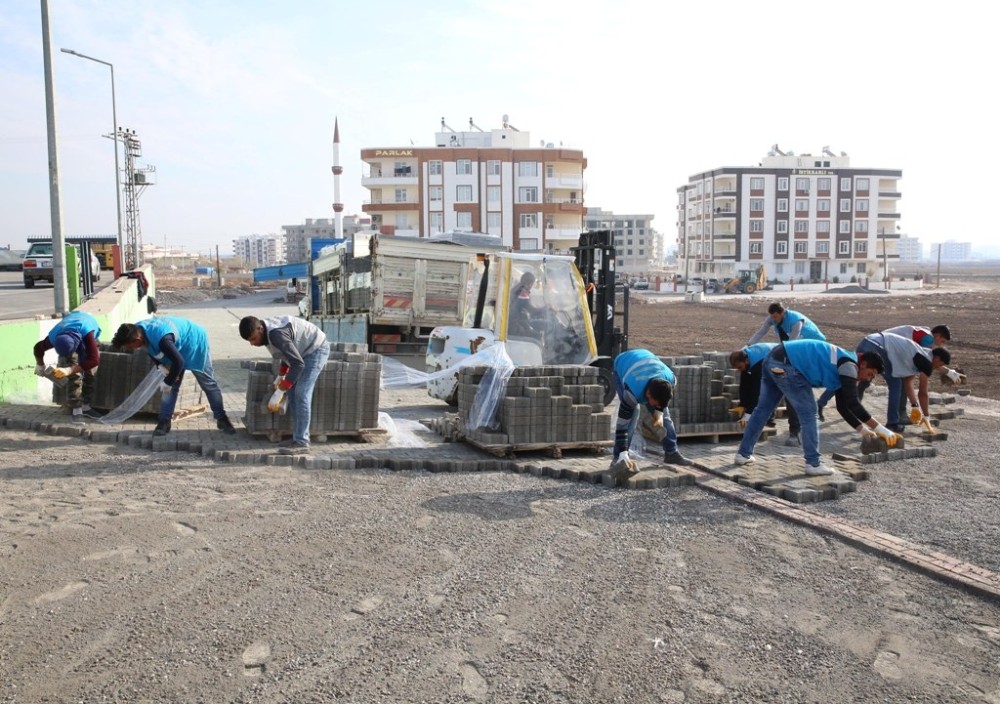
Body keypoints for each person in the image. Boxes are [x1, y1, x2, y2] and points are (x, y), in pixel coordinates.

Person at [733, 340, 895, 476]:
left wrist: (863, 431)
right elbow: (853, 403)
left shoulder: (845, 362)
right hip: (786, 364)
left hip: (773, 359)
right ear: (864, 364)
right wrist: (882, 429)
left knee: (763, 409)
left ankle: (743, 454)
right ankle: (813, 463)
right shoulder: (849, 366)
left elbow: (843, 407)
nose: (869, 379)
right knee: (810, 412)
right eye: (871, 374)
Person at [111, 318, 236, 437]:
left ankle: (222, 418)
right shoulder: (137, 330)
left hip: (194, 342)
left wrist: (168, 382)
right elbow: (151, 350)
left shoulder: (161, 339)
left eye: (129, 346)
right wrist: (160, 365)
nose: (130, 349)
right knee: (170, 388)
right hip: (175, 346)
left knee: (208, 384)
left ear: (137, 340)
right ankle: (164, 422)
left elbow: (179, 362)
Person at [817, 324, 952, 420]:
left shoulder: (922, 333)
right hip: (883, 349)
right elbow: (923, 370)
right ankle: (895, 420)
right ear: (937, 335)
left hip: (872, 341)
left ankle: (824, 403)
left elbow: (926, 364)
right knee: (896, 382)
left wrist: (915, 405)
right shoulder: (927, 340)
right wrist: (948, 373)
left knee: (854, 376)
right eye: (942, 340)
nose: (941, 344)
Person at [239, 315, 330, 455]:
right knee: (292, 393)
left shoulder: (275, 334)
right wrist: (281, 375)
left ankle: (302, 442)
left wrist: (281, 390)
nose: (252, 343)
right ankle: (297, 438)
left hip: (316, 349)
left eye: (253, 338)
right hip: (303, 352)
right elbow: (286, 355)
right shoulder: (269, 334)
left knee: (301, 393)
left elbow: (298, 364)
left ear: (260, 329)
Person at [610, 348, 692, 474]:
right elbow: (622, 425)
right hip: (622, 364)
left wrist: (658, 416)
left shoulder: (671, 380)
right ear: (648, 395)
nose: (654, 406)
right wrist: (623, 452)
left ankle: (671, 453)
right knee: (632, 416)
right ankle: (618, 458)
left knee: (665, 417)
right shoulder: (632, 391)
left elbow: (661, 405)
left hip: (645, 359)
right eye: (654, 403)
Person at [853, 332, 954, 432]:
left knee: (856, 375)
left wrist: (915, 406)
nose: (938, 367)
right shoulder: (926, 362)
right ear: (937, 358)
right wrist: (926, 416)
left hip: (868, 341)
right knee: (895, 384)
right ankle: (892, 424)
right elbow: (923, 393)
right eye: (940, 364)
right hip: (878, 346)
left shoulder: (923, 352)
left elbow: (907, 382)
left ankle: (851, 407)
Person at [33, 310, 104, 422]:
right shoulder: (54, 336)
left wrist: (69, 369)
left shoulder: (88, 334)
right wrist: (40, 365)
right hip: (69, 330)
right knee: (74, 376)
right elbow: (38, 348)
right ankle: (76, 408)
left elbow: (94, 360)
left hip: (84, 328)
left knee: (90, 370)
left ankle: (85, 406)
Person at [728, 342, 802, 446]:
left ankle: (795, 433)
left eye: (740, 367)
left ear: (746, 361)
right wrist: (742, 405)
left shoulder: (758, 364)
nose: (739, 370)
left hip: (791, 362)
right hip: (775, 361)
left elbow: (756, 391)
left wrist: (748, 414)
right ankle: (769, 420)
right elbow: (744, 385)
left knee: (789, 396)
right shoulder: (746, 358)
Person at [746, 302, 826, 345]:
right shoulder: (772, 318)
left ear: (782, 313)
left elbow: (792, 343)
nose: (773, 319)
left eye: (775, 316)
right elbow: (761, 332)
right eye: (772, 316)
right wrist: (749, 344)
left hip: (814, 339)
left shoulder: (795, 321)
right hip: (800, 338)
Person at [508, 270, 548, 337]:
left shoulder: (516, 289)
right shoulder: (522, 293)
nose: (530, 286)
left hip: (518, 322)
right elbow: (533, 312)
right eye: (531, 284)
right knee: (546, 327)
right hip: (517, 327)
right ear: (529, 283)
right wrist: (544, 309)